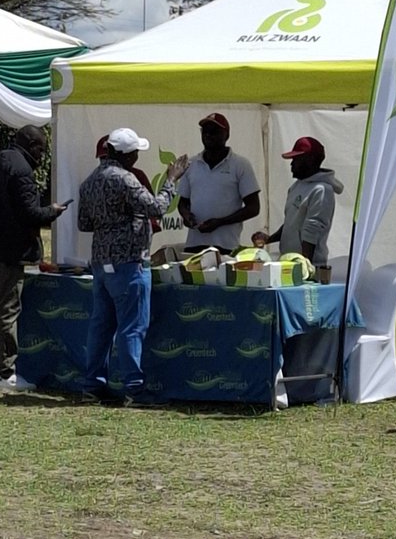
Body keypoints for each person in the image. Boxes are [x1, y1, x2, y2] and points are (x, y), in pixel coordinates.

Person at [78, 128, 188, 406]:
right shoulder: (125, 180)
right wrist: (171, 180)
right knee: (131, 327)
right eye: (136, 152)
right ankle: (134, 389)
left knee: (101, 326)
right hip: (128, 261)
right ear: (126, 155)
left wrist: (111, 222)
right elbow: (156, 208)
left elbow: (84, 224)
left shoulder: (90, 181)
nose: (138, 156)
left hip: (102, 263)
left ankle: (92, 385)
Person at [0, 126, 67, 394]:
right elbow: (31, 213)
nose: (42, 156)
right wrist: (53, 211)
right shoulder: (22, 170)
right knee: (6, 312)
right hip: (8, 253)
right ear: (31, 145)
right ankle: (6, 373)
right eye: (41, 149)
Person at [177, 113, 260, 256]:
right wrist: (186, 216)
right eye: (205, 131)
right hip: (194, 245)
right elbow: (182, 202)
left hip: (226, 246)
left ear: (226, 135)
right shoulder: (191, 164)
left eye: (214, 131)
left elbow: (253, 208)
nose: (208, 135)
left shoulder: (240, 165)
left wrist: (220, 222)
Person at [266, 136, 344, 281]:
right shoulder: (296, 186)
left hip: (309, 268)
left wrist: (304, 268)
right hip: (290, 265)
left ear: (310, 160)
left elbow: (312, 229)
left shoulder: (322, 189)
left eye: (296, 159)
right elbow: (291, 223)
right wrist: (269, 239)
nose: (291, 164)